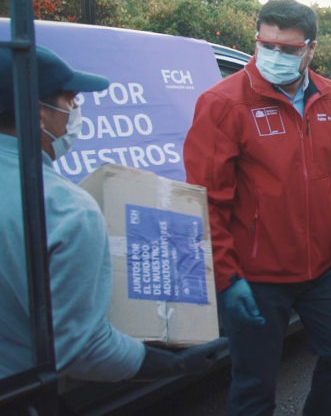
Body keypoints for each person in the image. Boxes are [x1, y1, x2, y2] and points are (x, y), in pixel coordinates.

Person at [184, 0, 331, 416]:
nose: (275, 55)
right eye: (266, 45)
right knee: (255, 385)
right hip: (257, 275)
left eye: (288, 49)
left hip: (321, 268)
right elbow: (207, 201)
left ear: (310, 49)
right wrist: (227, 276)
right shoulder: (224, 103)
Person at [0, 46, 222, 382]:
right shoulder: (65, 209)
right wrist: (169, 365)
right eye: (70, 100)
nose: (76, 109)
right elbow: (82, 349)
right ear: (39, 114)